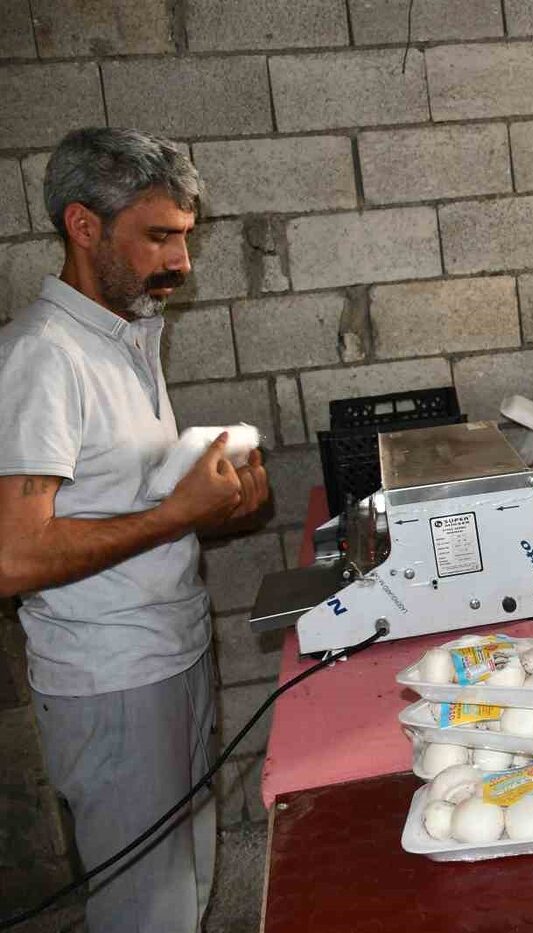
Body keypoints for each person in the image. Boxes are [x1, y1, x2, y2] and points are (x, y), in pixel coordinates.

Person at [0, 127, 270, 933]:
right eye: (159, 237)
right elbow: (13, 554)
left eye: (182, 238)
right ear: (83, 226)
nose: (180, 264)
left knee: (184, 884)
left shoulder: (127, 337)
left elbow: (121, 505)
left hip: (171, 651)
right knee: (143, 910)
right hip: (111, 677)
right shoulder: (43, 358)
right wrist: (173, 515)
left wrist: (216, 506)